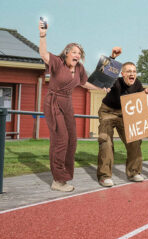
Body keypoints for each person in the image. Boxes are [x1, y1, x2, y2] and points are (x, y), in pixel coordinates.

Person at [37, 20, 112, 192]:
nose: (77, 55)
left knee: (72, 140)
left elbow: (84, 83)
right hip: (54, 102)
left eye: (79, 53)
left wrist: (101, 89)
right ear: (67, 53)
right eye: (74, 52)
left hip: (68, 103)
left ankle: (65, 176)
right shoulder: (57, 62)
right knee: (60, 139)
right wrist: (43, 35)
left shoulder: (79, 68)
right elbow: (43, 53)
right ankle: (57, 180)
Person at [96, 61, 148, 186]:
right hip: (108, 111)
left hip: (125, 114)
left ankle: (134, 172)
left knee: (135, 139)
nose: (132, 74)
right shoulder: (115, 81)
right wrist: (112, 58)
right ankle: (104, 176)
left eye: (134, 71)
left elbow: (141, 94)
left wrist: (146, 91)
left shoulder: (137, 83)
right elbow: (100, 74)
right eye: (128, 71)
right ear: (122, 74)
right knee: (106, 140)